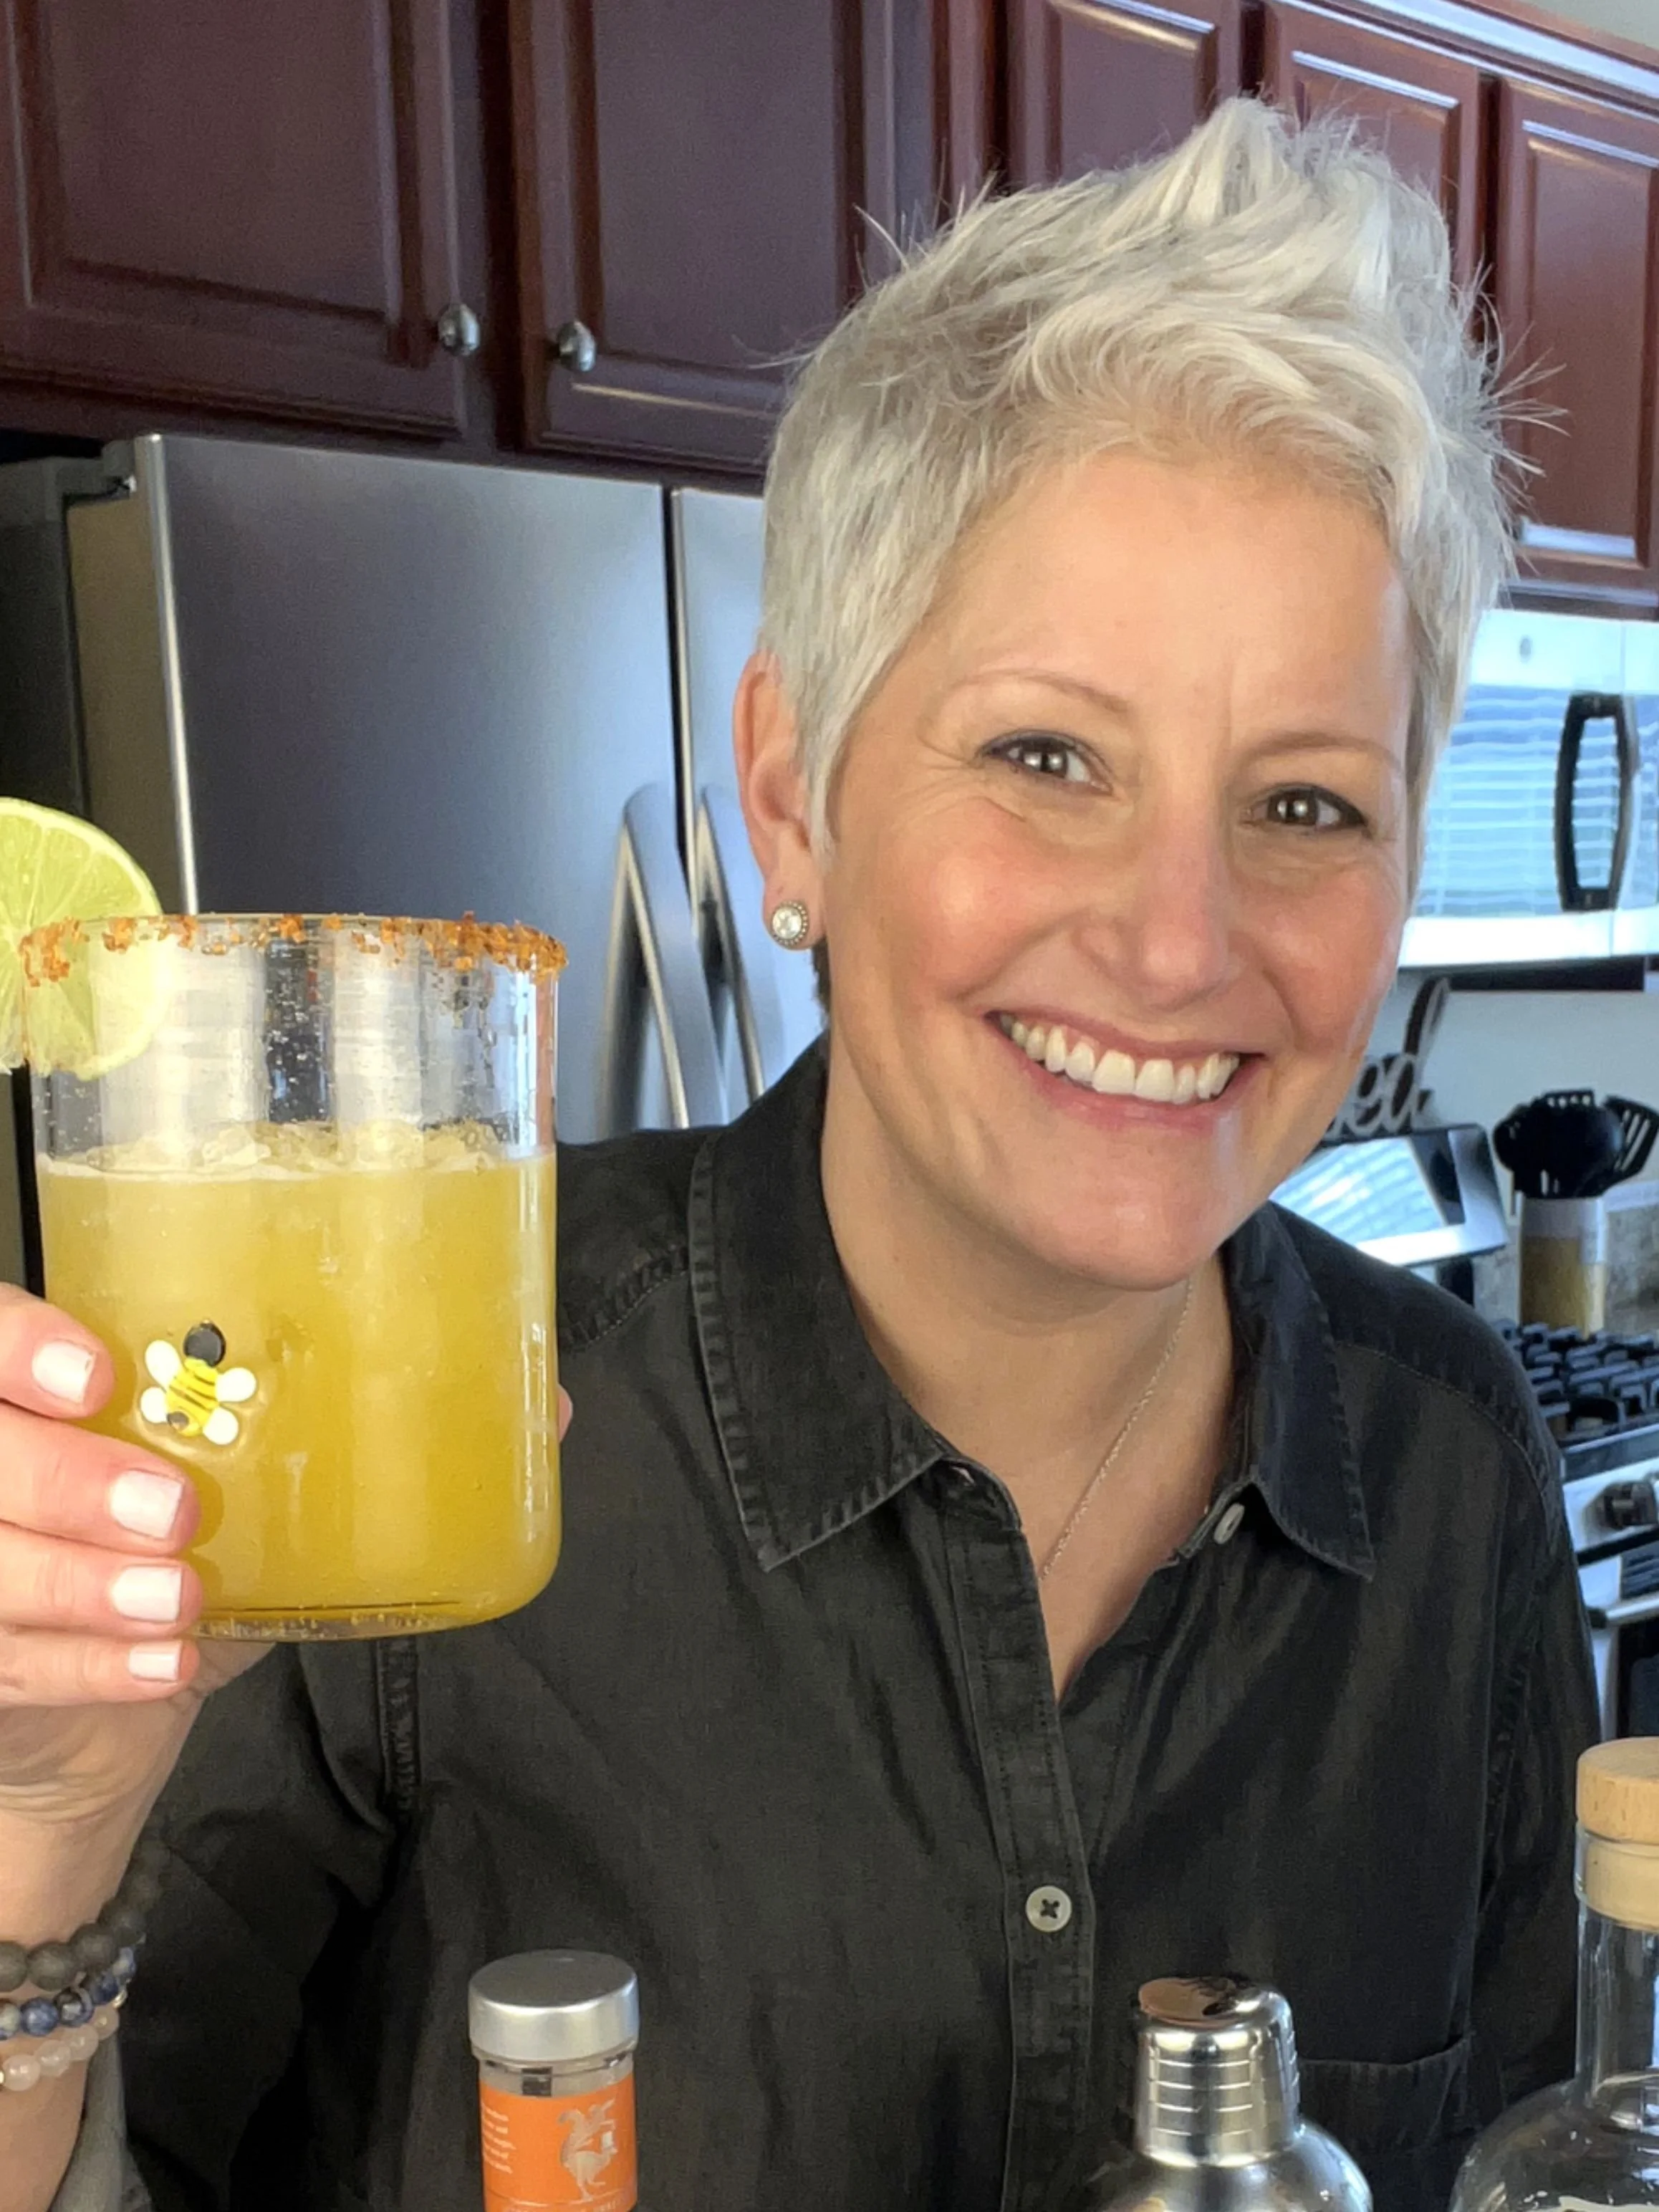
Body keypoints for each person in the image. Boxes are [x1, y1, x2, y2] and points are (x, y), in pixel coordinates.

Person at [0, 97, 1595, 2212]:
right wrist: (34, 1854)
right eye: (1047, 757)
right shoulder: (399, 1417)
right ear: (790, 800)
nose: (1179, 944)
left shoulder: (1449, 1471)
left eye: (1302, 803)